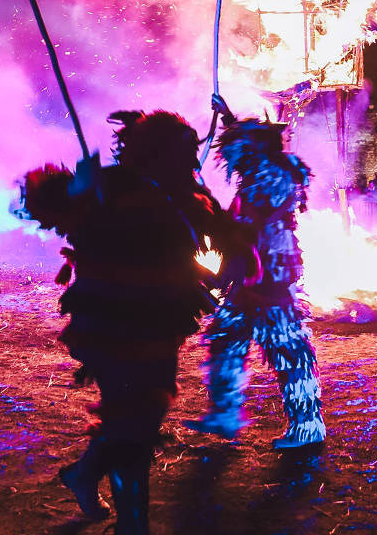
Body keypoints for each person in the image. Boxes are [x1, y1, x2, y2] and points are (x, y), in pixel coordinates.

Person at [17, 110, 239, 533]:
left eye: (191, 151)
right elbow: (47, 203)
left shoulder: (187, 194)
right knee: (133, 426)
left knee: (144, 414)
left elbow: (224, 233)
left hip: (159, 326)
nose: (191, 159)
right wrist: (76, 188)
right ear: (155, 152)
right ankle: (132, 525)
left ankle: (83, 474)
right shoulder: (111, 185)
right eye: (182, 150)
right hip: (111, 325)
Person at [188, 94, 326, 450]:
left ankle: (307, 426)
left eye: (236, 146)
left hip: (268, 276)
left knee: (287, 350)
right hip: (252, 274)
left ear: (253, 148)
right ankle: (224, 413)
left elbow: (249, 227)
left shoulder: (271, 176)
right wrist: (228, 117)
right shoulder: (261, 170)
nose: (228, 154)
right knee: (225, 337)